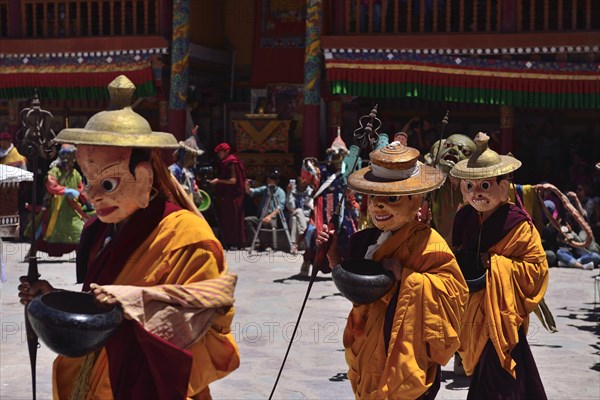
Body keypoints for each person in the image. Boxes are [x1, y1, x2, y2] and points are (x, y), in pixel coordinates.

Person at [17, 75, 239, 399]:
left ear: (146, 177)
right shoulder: (103, 229)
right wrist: (55, 299)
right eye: (86, 180)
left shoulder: (187, 238)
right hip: (97, 376)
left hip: (149, 386)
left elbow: (207, 319)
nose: (92, 196)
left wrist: (131, 305)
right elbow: (101, 300)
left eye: (107, 184)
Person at [318, 141, 467, 399]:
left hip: (406, 349)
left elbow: (454, 294)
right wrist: (332, 253)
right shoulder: (364, 240)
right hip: (368, 342)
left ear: (416, 200)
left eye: (392, 198)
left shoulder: (428, 244)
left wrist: (406, 277)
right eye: (374, 197)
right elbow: (353, 283)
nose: (378, 206)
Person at [450, 132, 549, 399]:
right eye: (469, 187)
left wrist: (496, 263)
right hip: (471, 311)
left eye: (485, 186)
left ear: (504, 186)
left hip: (501, 313)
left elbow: (536, 269)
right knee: (485, 375)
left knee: (499, 377)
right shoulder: (464, 218)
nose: (476, 194)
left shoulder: (517, 222)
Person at [26, 144, 88, 258]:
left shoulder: (75, 173)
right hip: (54, 206)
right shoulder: (54, 171)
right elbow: (51, 186)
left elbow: (80, 188)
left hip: (71, 207)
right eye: (66, 155)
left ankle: (80, 254)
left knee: (77, 229)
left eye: (70, 156)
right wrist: (66, 190)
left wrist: (85, 199)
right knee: (43, 229)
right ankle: (32, 251)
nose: (68, 159)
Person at [423, 134, 476, 243]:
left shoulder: (474, 189)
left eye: (465, 151)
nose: (453, 150)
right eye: (447, 145)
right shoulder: (434, 182)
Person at [210, 142, 247, 250]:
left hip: (233, 196)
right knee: (227, 219)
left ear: (226, 152)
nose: (218, 155)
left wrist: (218, 181)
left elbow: (233, 180)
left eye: (220, 152)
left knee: (233, 219)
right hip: (228, 196)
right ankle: (229, 241)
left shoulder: (232, 163)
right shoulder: (226, 162)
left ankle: (235, 242)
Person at [244, 169, 286, 250]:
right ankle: (256, 242)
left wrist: (270, 216)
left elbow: (280, 208)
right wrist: (247, 186)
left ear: (276, 181)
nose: (269, 180)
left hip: (273, 217)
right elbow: (251, 192)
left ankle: (267, 245)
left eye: (272, 179)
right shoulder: (264, 189)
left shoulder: (281, 192)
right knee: (248, 220)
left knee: (268, 222)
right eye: (268, 178)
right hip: (261, 216)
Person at [169, 136, 204, 206]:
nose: (194, 159)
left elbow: (192, 188)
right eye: (192, 156)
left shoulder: (189, 170)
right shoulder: (173, 170)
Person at [286, 175, 313, 255]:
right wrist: (289, 192)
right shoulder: (293, 190)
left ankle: (293, 245)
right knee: (298, 211)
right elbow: (291, 207)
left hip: (306, 217)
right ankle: (304, 236)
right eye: (302, 178)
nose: (304, 180)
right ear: (298, 178)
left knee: (295, 219)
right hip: (294, 213)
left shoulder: (310, 191)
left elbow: (311, 207)